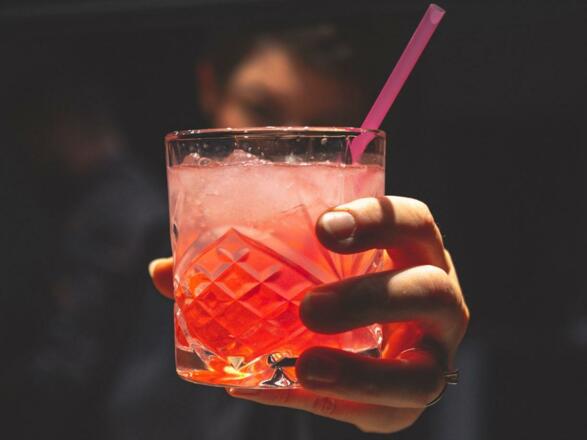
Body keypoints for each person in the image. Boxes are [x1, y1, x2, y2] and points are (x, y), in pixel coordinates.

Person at [145, 24, 469, 435]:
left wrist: (416, 383)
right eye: (262, 110)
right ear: (210, 86)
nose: (289, 146)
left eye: (325, 126)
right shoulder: (132, 228)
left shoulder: (385, 254)